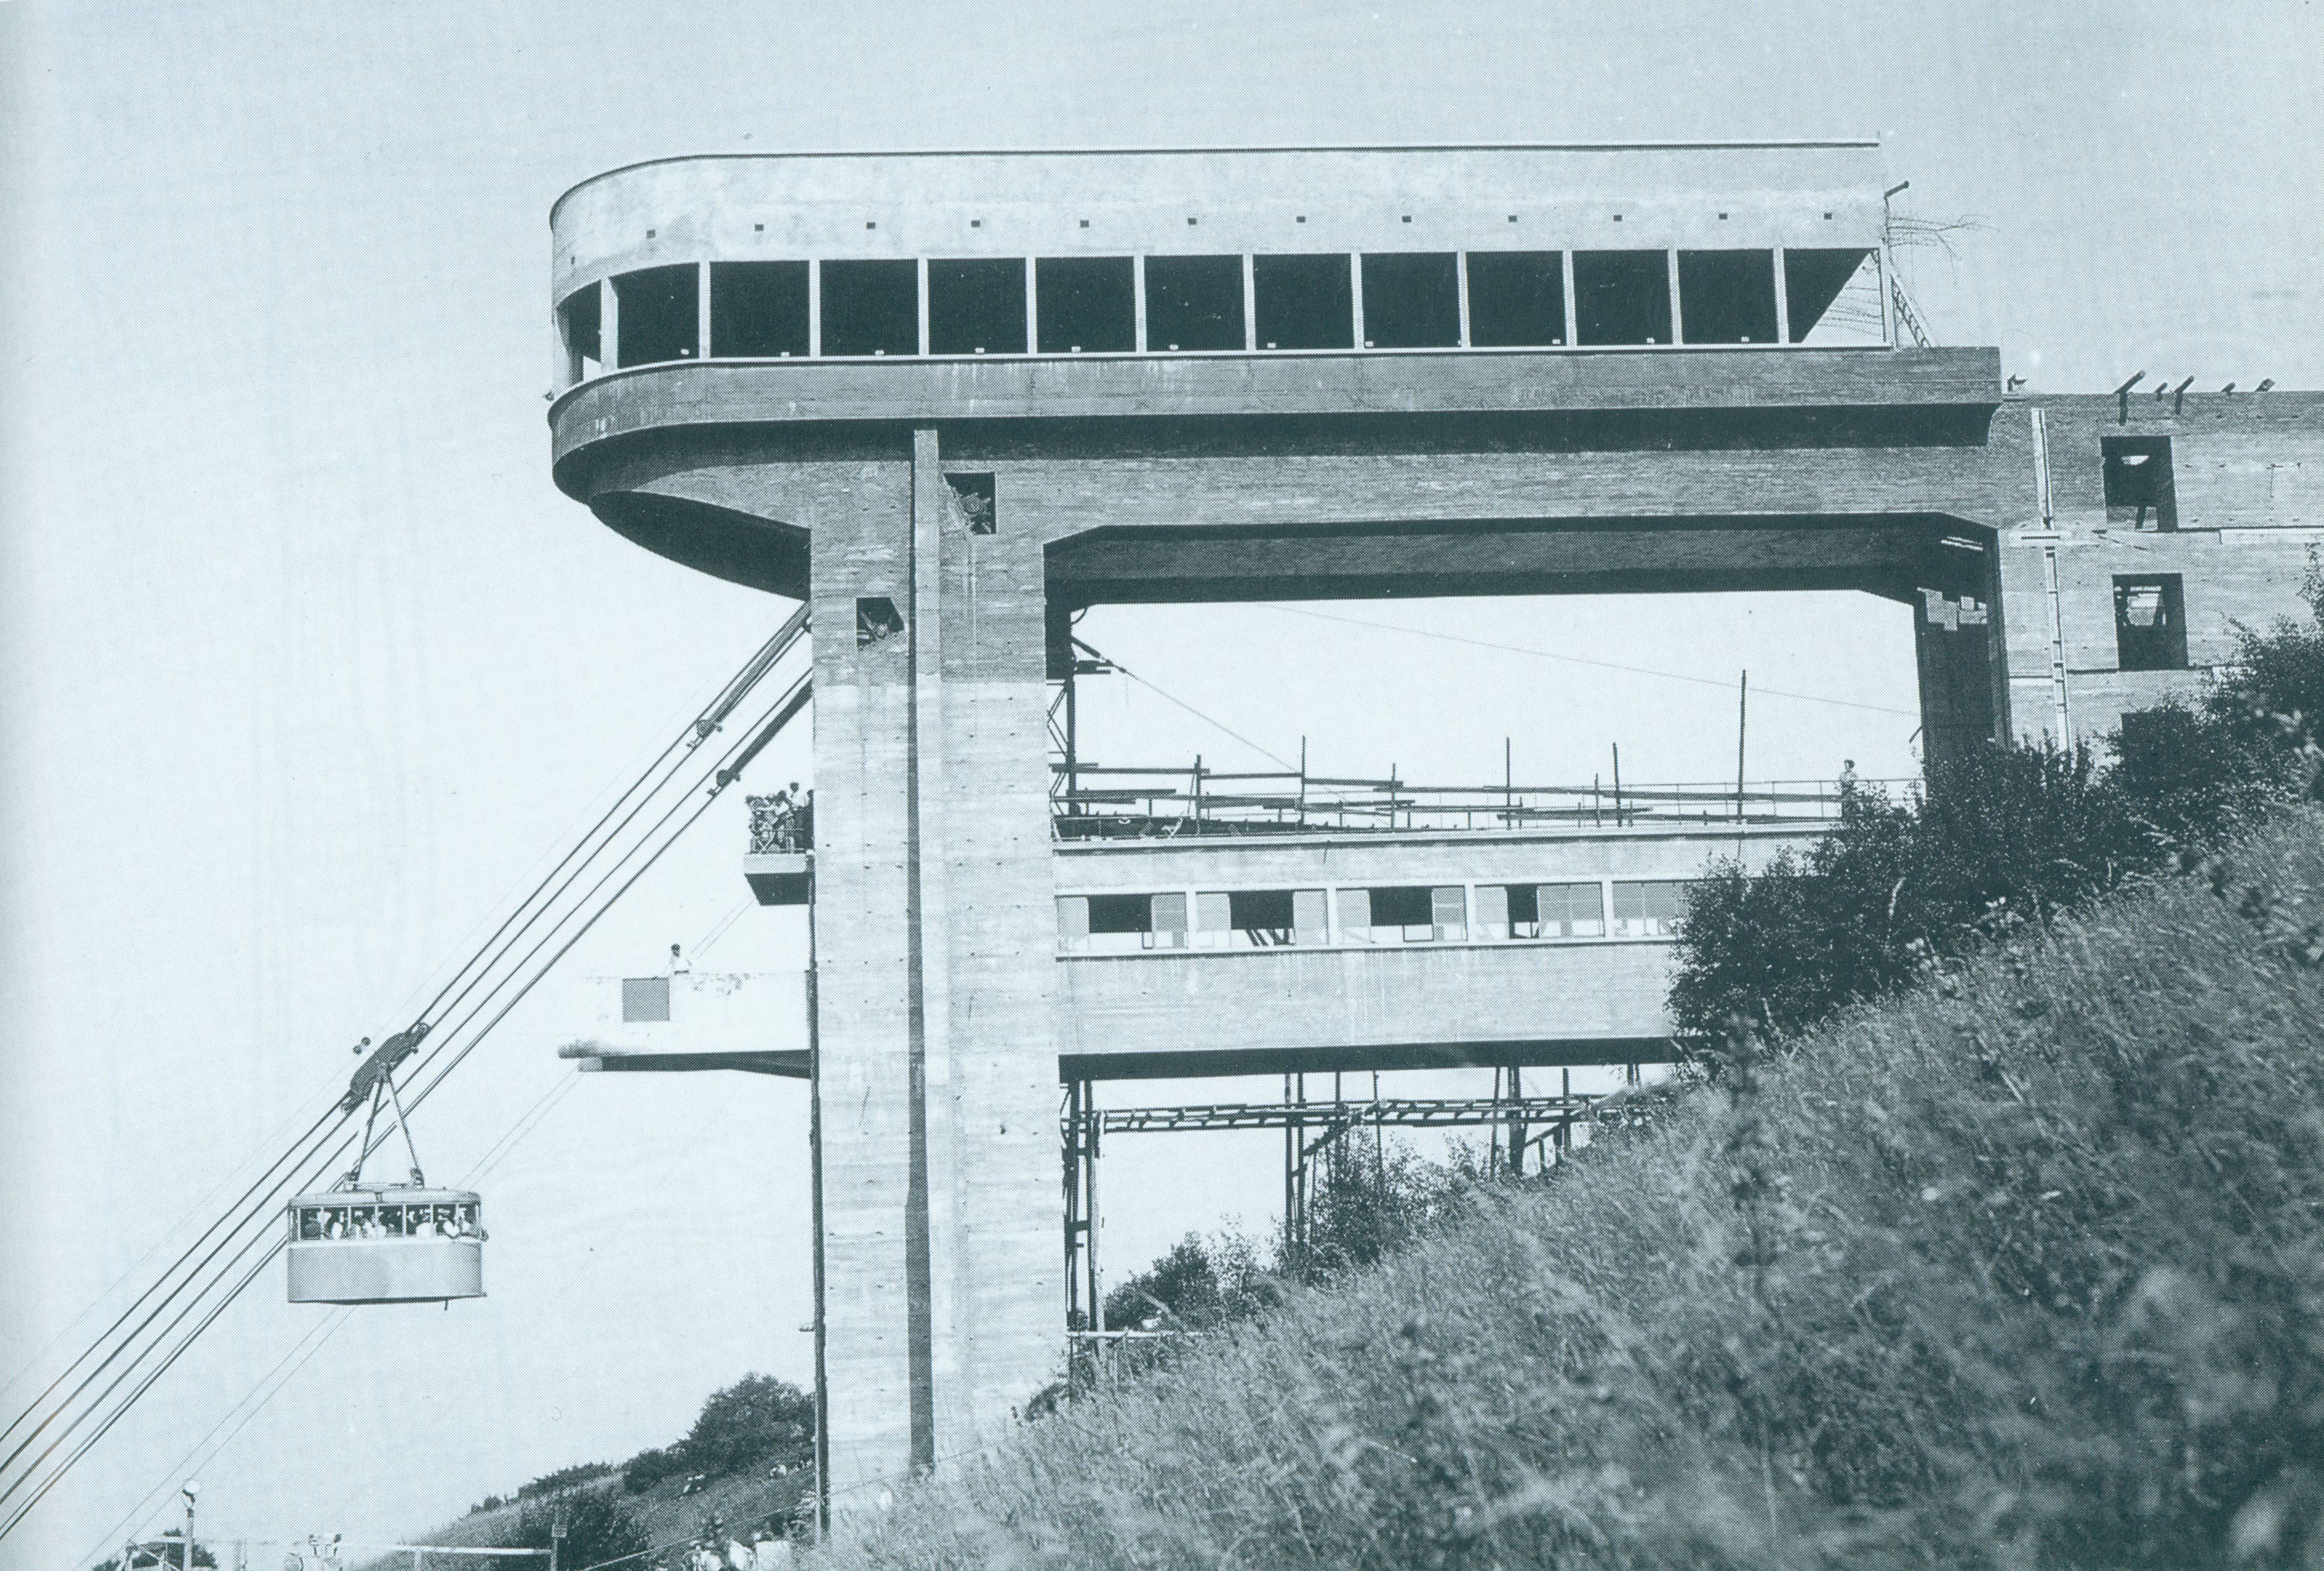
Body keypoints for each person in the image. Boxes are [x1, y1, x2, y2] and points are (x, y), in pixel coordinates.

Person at [339, 1021, 430, 1113]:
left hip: (383, 1063)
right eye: (421, 1028)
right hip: (379, 1061)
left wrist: (408, 1050)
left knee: (367, 1084)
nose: (421, 1030)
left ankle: (350, 1103)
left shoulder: (409, 1041)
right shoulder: (402, 1037)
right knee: (364, 1081)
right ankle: (350, 1103)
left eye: (423, 1030)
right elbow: (392, 1048)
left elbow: (399, 1053)